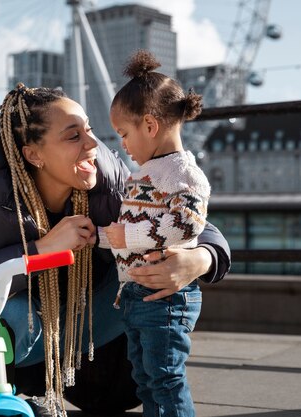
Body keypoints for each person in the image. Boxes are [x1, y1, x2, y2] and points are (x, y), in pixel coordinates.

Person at [0, 83, 231, 415]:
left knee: (147, 286)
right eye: (73, 137)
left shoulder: (109, 179)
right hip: (26, 342)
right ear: (34, 154)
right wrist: (41, 249)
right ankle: (7, 393)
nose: (93, 143)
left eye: (89, 130)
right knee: (14, 314)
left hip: (94, 348)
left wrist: (200, 259)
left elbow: (192, 221)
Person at [97, 50, 208, 417]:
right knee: (146, 380)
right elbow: (129, 232)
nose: (122, 145)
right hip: (138, 295)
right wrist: (97, 236)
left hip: (165, 298)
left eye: (124, 134)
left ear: (149, 125)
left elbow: (186, 223)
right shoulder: (144, 174)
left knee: (165, 379)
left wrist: (126, 238)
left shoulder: (182, 174)